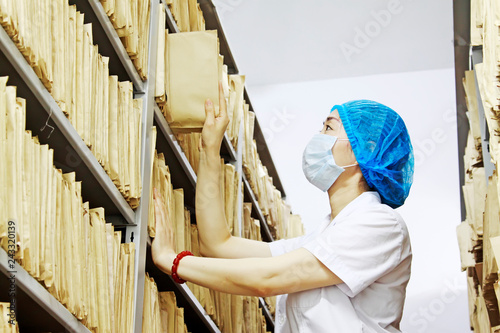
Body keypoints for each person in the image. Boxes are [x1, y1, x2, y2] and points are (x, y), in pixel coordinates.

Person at [152, 84, 414, 333]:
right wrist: (210, 149)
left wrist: (173, 262)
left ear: (363, 150)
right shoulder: (320, 238)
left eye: (328, 128)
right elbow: (217, 245)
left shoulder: (381, 224)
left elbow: (267, 279)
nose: (317, 137)